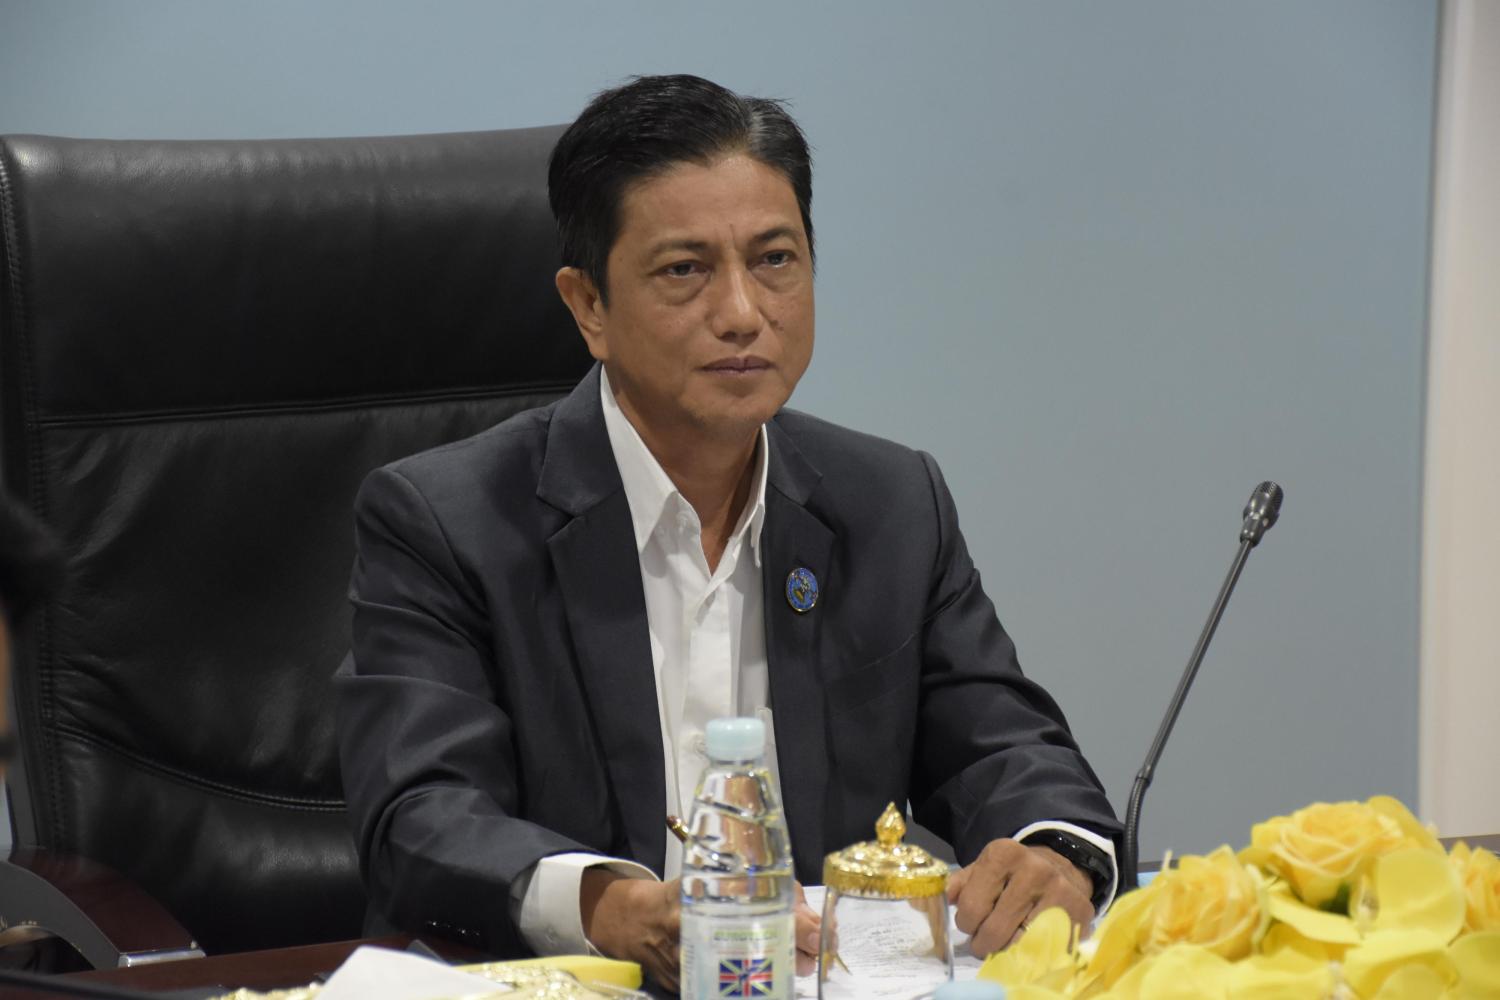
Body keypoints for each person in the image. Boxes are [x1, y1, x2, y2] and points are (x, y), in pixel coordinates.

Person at [335, 74, 1121, 992]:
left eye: (775, 259)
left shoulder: (891, 503)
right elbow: (420, 815)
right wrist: (608, 907)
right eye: (686, 270)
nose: (744, 312)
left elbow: (1007, 747)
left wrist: (1056, 852)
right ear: (589, 307)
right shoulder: (446, 521)